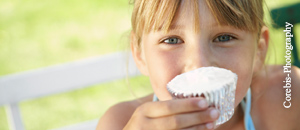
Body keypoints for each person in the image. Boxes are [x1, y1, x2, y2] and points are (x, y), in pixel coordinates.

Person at [97, 0, 300, 129]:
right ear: (140, 54)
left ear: (258, 50)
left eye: (224, 37)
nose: (199, 65)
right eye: (172, 40)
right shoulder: (119, 123)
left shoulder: (287, 98)